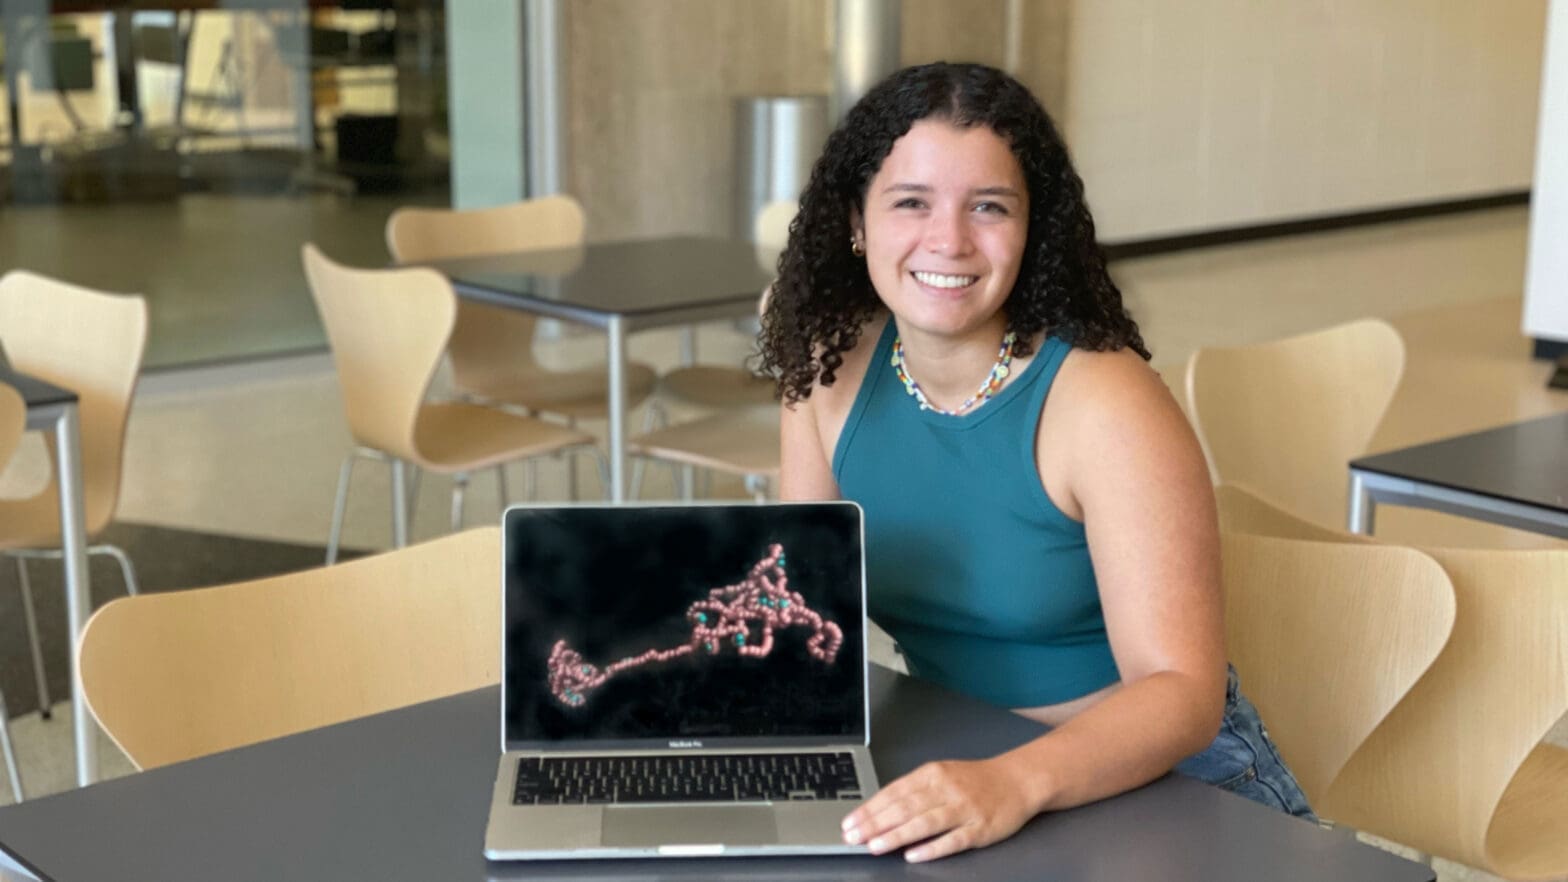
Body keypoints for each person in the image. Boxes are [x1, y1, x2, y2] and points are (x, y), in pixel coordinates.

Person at [757, 62, 1313, 863]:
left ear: (1031, 229)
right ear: (857, 221)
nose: (947, 241)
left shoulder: (1106, 403)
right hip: (962, 759)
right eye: (910, 202)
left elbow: (1183, 696)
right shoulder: (826, 369)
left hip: (1167, 782)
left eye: (989, 207)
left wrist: (1013, 783)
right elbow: (803, 609)